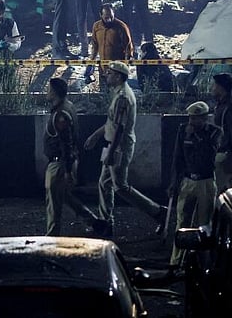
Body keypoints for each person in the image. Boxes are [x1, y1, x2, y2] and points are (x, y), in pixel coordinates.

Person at [84, 61, 168, 237]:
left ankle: (157, 211)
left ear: (119, 76)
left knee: (120, 186)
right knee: (105, 184)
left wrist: (112, 152)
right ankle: (106, 222)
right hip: (113, 144)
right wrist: (96, 136)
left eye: (110, 73)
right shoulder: (119, 94)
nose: (106, 74)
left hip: (118, 146)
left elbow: (120, 128)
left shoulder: (123, 97)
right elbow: (112, 123)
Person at [43, 77, 103, 236]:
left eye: (49, 90)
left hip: (59, 164)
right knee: (64, 196)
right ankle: (92, 220)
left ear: (54, 93)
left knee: (53, 204)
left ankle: (52, 236)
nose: (46, 93)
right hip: (65, 162)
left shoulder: (60, 114)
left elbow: (66, 143)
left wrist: (68, 171)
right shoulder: (68, 107)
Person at [168, 101, 222, 272]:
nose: (192, 122)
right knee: (181, 221)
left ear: (205, 118)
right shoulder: (183, 130)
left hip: (206, 182)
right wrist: (173, 182)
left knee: (204, 224)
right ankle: (176, 262)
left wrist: (196, 137)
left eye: (196, 119)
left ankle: (201, 264)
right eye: (191, 118)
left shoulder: (214, 132)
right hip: (188, 180)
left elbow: (208, 155)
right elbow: (178, 157)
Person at [211, 74, 232, 193]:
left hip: (227, 155)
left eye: (215, 86)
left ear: (221, 88)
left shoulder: (231, 107)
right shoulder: (224, 103)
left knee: (214, 191)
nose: (213, 88)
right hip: (230, 154)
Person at [87, 4, 133, 87]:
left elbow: (128, 48)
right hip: (103, 69)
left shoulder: (121, 27)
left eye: (111, 17)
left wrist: (125, 67)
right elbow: (95, 45)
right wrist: (91, 63)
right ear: (101, 15)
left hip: (116, 71)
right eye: (106, 17)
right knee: (104, 94)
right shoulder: (96, 26)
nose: (109, 20)